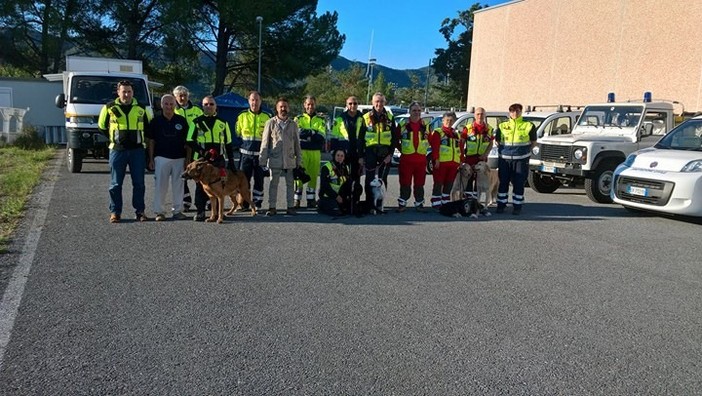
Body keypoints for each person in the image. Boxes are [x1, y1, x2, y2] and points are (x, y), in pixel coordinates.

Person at [98, 80, 152, 223]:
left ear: (133, 92)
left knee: (139, 183)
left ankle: (140, 211)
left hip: (137, 151)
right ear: (118, 92)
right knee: (116, 184)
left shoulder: (141, 108)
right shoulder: (109, 107)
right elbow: (101, 126)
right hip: (117, 151)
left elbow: (148, 128)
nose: (126, 94)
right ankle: (115, 212)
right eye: (124, 91)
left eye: (129, 91)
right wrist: (115, 139)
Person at [186, 96, 235, 221]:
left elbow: (228, 143)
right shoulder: (196, 122)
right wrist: (203, 152)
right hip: (201, 160)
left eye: (211, 104)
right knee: (200, 187)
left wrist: (231, 162)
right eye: (206, 104)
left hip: (218, 160)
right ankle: (201, 211)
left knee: (220, 186)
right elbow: (189, 140)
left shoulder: (223, 123)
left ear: (216, 106)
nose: (208, 106)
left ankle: (219, 213)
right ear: (202, 106)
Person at [147, 94, 191, 221]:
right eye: (166, 104)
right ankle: (159, 212)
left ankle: (178, 211)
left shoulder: (181, 120)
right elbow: (151, 141)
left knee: (179, 185)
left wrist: (188, 160)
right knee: (161, 185)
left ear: (175, 105)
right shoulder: (155, 121)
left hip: (179, 158)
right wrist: (150, 159)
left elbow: (188, 142)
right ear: (161, 105)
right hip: (161, 157)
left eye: (171, 104)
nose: (169, 106)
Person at [259, 97, 302, 216]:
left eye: (285, 106)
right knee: (273, 184)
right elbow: (265, 142)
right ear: (276, 109)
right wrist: (262, 160)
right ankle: (272, 207)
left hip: (289, 159)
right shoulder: (270, 123)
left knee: (290, 184)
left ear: (288, 108)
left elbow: (297, 143)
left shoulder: (293, 124)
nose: (283, 109)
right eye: (280, 107)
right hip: (275, 159)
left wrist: (299, 160)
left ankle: (290, 207)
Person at [494, 103, 537, 215]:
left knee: (518, 182)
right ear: (509, 113)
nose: (515, 113)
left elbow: (533, 142)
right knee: (503, 182)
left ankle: (517, 206)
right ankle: (501, 205)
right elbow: (498, 141)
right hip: (504, 159)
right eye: (512, 111)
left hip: (521, 160)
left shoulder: (529, 125)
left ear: (521, 112)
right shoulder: (502, 126)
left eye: (517, 111)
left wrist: (524, 152)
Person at [359, 92, 399, 207]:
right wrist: (361, 156)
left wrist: (390, 154)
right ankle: (370, 204)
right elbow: (360, 138)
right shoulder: (365, 117)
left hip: (385, 152)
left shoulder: (390, 117)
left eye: (381, 101)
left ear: (384, 103)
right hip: (370, 151)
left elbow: (394, 138)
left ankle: (380, 205)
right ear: (372, 102)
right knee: (370, 179)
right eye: (376, 101)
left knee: (382, 179)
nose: (379, 104)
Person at [236, 91, 271, 210]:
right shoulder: (241, 116)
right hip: (245, 155)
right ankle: (245, 203)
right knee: (244, 180)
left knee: (259, 180)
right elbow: (237, 134)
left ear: (261, 101)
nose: (254, 102)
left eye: (257, 100)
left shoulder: (267, 117)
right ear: (248, 101)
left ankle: (257, 203)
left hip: (260, 156)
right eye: (252, 100)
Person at [173, 85, 203, 212]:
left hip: (195, 147)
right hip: (179, 147)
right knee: (183, 174)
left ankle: (203, 199)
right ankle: (186, 200)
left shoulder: (197, 110)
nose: (182, 98)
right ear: (175, 97)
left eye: (185, 95)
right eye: (180, 95)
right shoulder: (173, 110)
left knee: (199, 174)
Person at [293, 95, 327, 209]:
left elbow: (321, 137)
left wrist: (306, 133)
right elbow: (297, 133)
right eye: (308, 104)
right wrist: (313, 133)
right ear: (304, 105)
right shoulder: (298, 119)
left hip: (315, 152)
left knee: (312, 176)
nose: (310, 106)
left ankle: (311, 200)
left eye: (312, 104)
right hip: (301, 152)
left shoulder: (321, 119)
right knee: (299, 176)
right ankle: (296, 200)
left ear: (315, 105)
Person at [396, 101, 430, 212]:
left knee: (420, 183)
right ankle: (403, 203)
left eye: (419, 110)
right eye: (414, 110)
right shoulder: (403, 125)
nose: (417, 112)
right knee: (405, 182)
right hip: (406, 159)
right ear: (409, 111)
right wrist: (402, 150)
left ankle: (419, 203)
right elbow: (395, 140)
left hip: (421, 160)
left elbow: (431, 141)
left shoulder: (425, 125)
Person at [429, 111, 462, 209]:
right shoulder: (438, 132)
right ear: (443, 121)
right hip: (441, 163)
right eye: (447, 120)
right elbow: (435, 147)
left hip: (454, 163)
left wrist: (460, 161)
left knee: (449, 184)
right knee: (438, 183)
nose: (449, 122)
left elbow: (459, 149)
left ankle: (445, 202)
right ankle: (436, 203)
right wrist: (436, 159)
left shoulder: (456, 134)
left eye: (451, 120)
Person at [330, 96, 365, 185]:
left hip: (357, 154)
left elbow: (366, 138)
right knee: (342, 178)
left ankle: (355, 199)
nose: (352, 105)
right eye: (350, 103)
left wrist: (362, 155)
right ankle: (343, 198)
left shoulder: (363, 118)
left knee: (356, 179)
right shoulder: (339, 119)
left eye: (355, 103)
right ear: (346, 105)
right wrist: (334, 154)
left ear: (358, 105)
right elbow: (334, 138)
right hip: (343, 154)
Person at [460, 107, 494, 197]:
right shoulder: (468, 128)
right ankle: (468, 198)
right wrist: (462, 155)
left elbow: (491, 144)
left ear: (485, 115)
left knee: (479, 179)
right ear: (474, 115)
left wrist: (485, 154)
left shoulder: (489, 129)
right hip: (470, 157)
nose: (480, 116)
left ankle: (476, 200)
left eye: (482, 114)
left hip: (482, 158)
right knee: (469, 177)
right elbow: (461, 142)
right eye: (478, 114)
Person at [318, 149, 361, 217]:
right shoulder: (326, 167)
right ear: (334, 156)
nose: (340, 158)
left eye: (342, 156)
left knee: (350, 210)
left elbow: (347, 183)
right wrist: (336, 196)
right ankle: (321, 204)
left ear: (344, 157)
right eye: (338, 155)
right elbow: (324, 185)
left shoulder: (345, 167)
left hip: (340, 195)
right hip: (328, 196)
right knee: (337, 212)